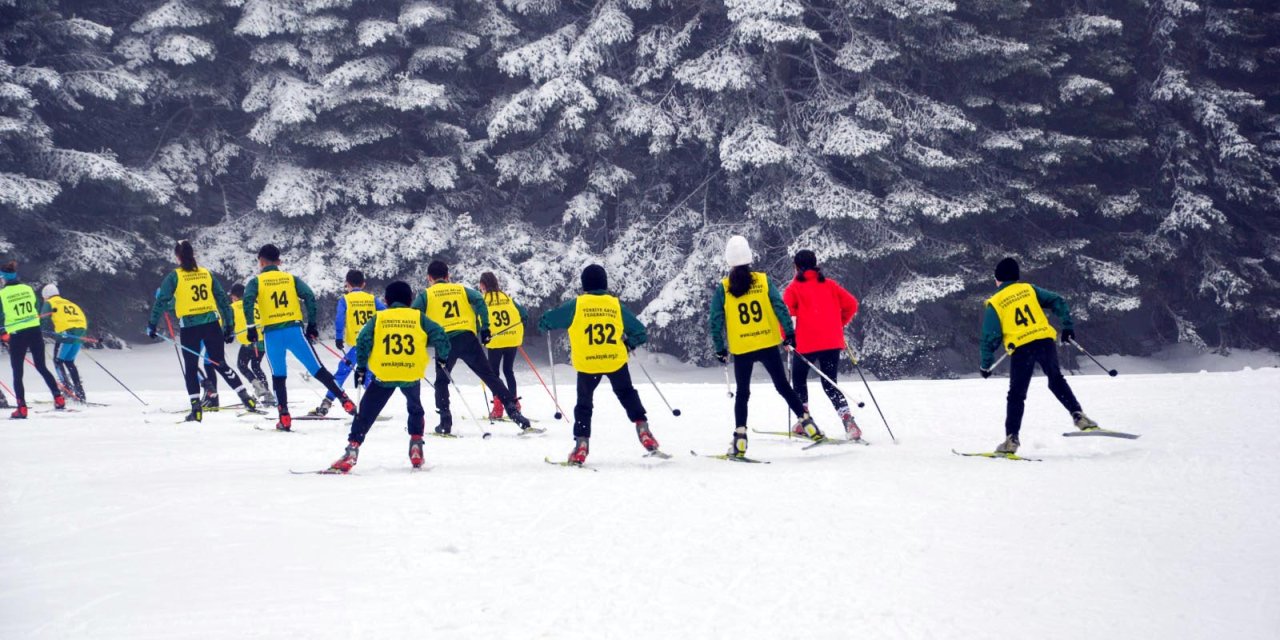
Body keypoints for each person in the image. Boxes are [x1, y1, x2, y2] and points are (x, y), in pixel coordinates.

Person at [709, 236, 826, 458]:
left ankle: (740, 439)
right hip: (767, 342)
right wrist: (790, 334)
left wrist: (719, 347)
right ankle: (809, 425)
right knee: (783, 386)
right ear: (749, 257)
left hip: (742, 348)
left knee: (743, 393)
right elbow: (779, 306)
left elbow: (715, 319)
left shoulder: (723, 288)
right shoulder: (763, 281)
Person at [538, 264, 661, 465]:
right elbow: (640, 332)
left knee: (584, 404)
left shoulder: (577, 304)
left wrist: (543, 321)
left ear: (584, 284)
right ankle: (643, 429)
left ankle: (581, 446)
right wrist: (628, 344)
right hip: (614, 360)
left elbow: (547, 321)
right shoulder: (615, 305)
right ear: (604, 284)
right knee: (627, 394)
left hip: (588, 363)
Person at [980, 258, 1101, 454]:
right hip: (1044, 341)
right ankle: (1079, 416)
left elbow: (990, 337)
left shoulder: (995, 302)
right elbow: (1057, 301)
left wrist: (986, 365)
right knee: (1056, 380)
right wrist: (1067, 326)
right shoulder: (1029, 289)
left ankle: (1011, 440)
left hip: (1022, 349)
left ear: (998, 280)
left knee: (1017, 395)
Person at [327, 281, 450, 473]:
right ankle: (416, 444)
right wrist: (442, 356)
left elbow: (363, 339)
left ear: (386, 300)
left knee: (366, 412)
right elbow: (441, 335)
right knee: (415, 408)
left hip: (384, 373)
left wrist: (361, 366)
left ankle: (352, 449)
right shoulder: (418, 317)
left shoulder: (379, 317)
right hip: (410, 372)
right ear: (410, 300)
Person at [410, 260, 533, 433]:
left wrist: (423, 339)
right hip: (468, 338)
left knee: (442, 381)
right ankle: (514, 412)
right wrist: (485, 328)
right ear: (447, 276)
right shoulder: (461, 289)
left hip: (445, 342)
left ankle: (445, 421)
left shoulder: (426, 295)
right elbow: (480, 301)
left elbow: (414, 315)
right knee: (490, 376)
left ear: (429, 278)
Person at [243, 243, 356, 431]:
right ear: (278, 261)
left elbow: (247, 301)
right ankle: (345, 401)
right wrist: (312, 324)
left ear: (261, 262)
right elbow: (309, 296)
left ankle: (284, 416)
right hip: (294, 331)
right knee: (318, 370)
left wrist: (250, 328)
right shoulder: (290, 279)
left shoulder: (256, 282)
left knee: (279, 376)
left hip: (272, 334)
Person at [147, 241, 258, 422]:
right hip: (212, 324)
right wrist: (228, 326)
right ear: (193, 254)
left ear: (177, 257)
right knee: (220, 364)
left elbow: (162, 301)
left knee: (191, 368)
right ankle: (246, 398)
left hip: (190, 327)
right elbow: (222, 299)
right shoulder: (206, 273)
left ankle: (196, 409)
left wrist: (152, 324)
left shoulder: (174, 277)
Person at [783, 250, 862, 441]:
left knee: (799, 381)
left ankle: (805, 422)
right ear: (815, 264)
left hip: (806, 343)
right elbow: (852, 304)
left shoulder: (793, 289)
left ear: (796, 267)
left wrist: (786, 337)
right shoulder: (830, 285)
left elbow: (784, 315)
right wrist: (839, 324)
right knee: (830, 383)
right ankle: (849, 422)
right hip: (832, 342)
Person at [308, 269, 384, 416]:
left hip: (357, 345)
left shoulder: (345, 299)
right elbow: (384, 313)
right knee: (368, 374)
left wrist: (338, 337)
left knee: (343, 370)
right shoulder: (372, 298)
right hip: (372, 343)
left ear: (347, 285)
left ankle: (327, 403)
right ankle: (372, 406)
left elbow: (339, 319)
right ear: (363, 284)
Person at [0, 261, 64, 418]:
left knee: (17, 372)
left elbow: (1, 316)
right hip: (34, 331)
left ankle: (22, 408)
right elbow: (35, 307)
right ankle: (58, 398)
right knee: (41, 366)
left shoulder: (2, 294)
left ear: (3, 279)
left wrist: (3, 333)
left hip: (17, 333)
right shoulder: (28, 289)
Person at [478, 271, 527, 420]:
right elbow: (524, 314)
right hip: (512, 338)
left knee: (494, 374)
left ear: (482, 285)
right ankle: (514, 403)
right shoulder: (506, 297)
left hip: (496, 340)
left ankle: (498, 407)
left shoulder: (483, 300)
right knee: (508, 370)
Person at [40, 283, 88, 402]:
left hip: (66, 333)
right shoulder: (69, 302)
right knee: (69, 361)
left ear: (46, 295)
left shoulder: (49, 303)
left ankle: (67, 390)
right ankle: (80, 392)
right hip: (81, 332)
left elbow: (44, 319)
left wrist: (41, 330)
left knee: (57, 361)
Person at [229, 283, 274, 406]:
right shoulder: (255, 304)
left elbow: (229, 324)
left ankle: (259, 388)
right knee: (256, 365)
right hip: (262, 340)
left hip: (249, 341)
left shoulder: (234, 307)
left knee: (242, 365)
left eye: (232, 297)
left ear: (236, 297)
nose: (232, 300)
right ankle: (267, 393)